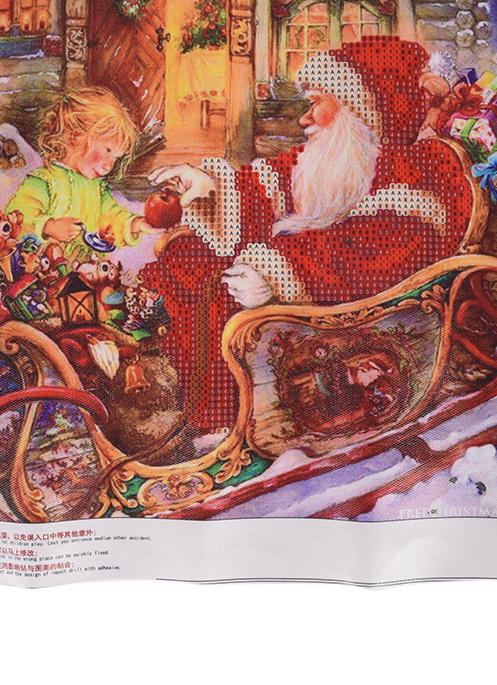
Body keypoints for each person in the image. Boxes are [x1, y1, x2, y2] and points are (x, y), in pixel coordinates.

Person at [140, 37, 476, 430]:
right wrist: (207, 186)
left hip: (348, 318)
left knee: (223, 292)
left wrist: (275, 277)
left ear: (357, 108)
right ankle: (182, 397)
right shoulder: (334, 160)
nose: (305, 119)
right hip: (310, 297)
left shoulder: (412, 174)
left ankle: (228, 422)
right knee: (189, 255)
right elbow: (264, 189)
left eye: (317, 102)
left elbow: (369, 259)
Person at [7, 87, 160, 265]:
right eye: (107, 150)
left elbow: (111, 214)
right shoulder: (44, 181)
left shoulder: (96, 187)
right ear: (76, 137)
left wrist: (134, 224)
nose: (109, 165)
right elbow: (16, 217)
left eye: (116, 158)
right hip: (46, 270)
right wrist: (48, 227)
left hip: (88, 270)